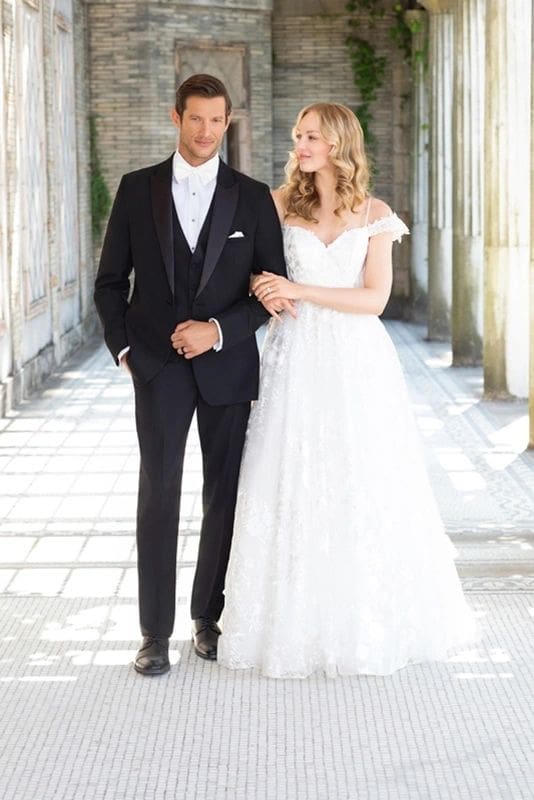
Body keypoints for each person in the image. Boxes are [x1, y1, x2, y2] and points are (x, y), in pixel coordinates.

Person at [218, 102, 477, 678]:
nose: (300, 145)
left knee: (363, 479)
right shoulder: (278, 203)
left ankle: (366, 619)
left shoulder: (374, 214)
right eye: (298, 136)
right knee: (292, 477)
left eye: (311, 136)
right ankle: (289, 621)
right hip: (294, 358)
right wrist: (265, 285)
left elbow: (374, 300)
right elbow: (249, 271)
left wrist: (300, 289)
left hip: (357, 362)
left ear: (337, 142)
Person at [94, 74, 287, 675]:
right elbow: (108, 285)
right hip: (155, 366)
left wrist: (219, 330)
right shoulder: (135, 189)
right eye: (195, 118)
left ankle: (209, 619)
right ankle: (154, 632)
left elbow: (271, 291)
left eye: (217, 120)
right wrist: (127, 355)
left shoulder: (253, 198)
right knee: (159, 494)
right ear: (175, 117)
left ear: (227, 122)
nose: (206, 131)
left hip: (228, 367)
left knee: (223, 495)